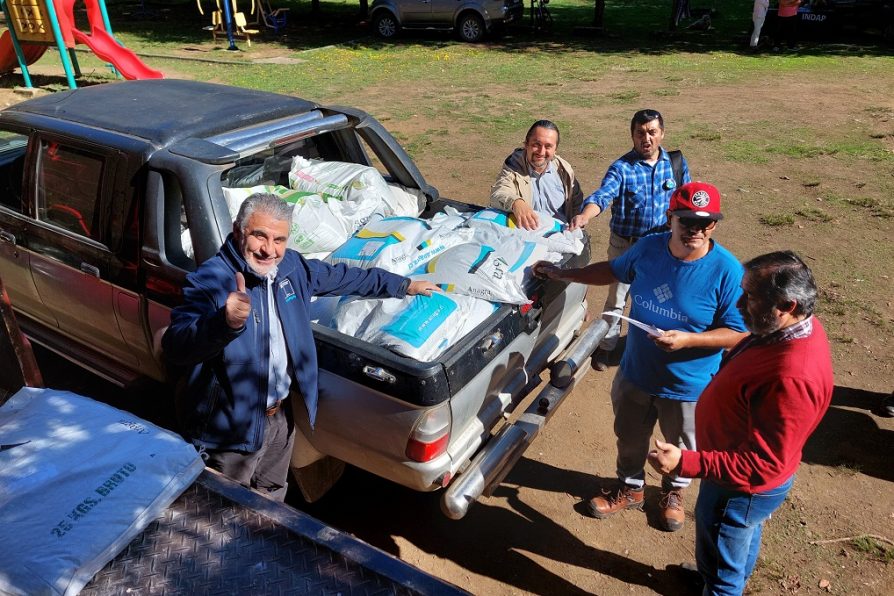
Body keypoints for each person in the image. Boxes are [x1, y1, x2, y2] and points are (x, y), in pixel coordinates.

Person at [162, 193, 439, 501]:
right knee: (225, 509)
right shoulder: (210, 281)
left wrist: (402, 285)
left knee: (272, 496)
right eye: (259, 236)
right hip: (231, 429)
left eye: (279, 240)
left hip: (279, 418)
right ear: (239, 230)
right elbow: (176, 347)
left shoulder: (291, 268)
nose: (269, 250)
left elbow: (342, 277)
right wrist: (222, 323)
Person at [534, 182, 747, 532]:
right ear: (671, 218)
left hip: (687, 387)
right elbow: (615, 270)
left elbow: (737, 334)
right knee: (629, 436)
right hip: (636, 373)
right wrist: (565, 274)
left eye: (706, 224)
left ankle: (674, 493)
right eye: (687, 221)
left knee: (681, 445)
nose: (696, 230)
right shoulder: (648, 248)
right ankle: (631, 487)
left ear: (715, 226)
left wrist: (690, 341)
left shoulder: (727, 271)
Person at [648, 250, 834, 594]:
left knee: (725, 568)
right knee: (737, 536)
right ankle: (712, 575)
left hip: (739, 487)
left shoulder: (793, 376)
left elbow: (762, 465)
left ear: (787, 306)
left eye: (749, 296)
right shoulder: (789, 330)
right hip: (732, 473)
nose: (737, 305)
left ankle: (717, 584)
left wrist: (686, 461)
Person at [572, 109, 691, 371]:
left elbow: (687, 200)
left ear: (662, 133)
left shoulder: (675, 165)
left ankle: (652, 346)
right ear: (632, 135)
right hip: (626, 247)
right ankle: (605, 348)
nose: (646, 138)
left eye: (652, 132)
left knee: (659, 298)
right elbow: (602, 196)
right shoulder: (622, 167)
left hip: (662, 247)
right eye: (640, 133)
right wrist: (585, 216)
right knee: (617, 299)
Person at [490, 120, 584, 230]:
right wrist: (516, 202)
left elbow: (576, 202)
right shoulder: (513, 168)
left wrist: (577, 223)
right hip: (528, 236)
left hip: (561, 235)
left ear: (555, 150)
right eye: (536, 144)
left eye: (548, 146)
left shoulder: (564, 171)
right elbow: (498, 193)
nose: (541, 152)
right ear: (526, 144)